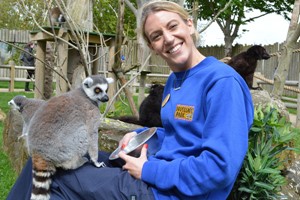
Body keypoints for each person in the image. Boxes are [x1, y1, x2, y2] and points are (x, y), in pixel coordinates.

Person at [7, 1, 254, 199]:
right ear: (152, 46)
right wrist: (145, 136)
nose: (168, 38)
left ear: (189, 25)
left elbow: (218, 169)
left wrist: (148, 170)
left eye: (173, 26)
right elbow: (182, 134)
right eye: (157, 36)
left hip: (169, 191)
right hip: (156, 170)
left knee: (53, 175)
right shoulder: (176, 80)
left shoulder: (222, 83)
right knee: (44, 158)